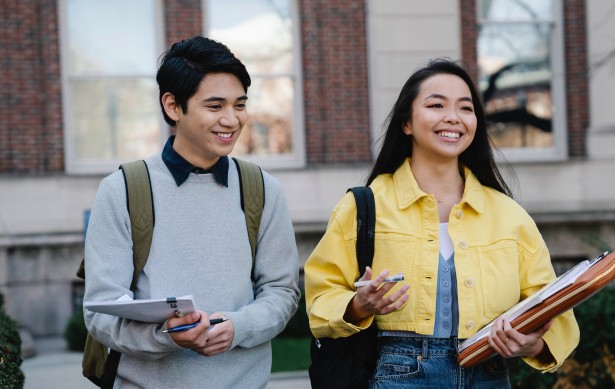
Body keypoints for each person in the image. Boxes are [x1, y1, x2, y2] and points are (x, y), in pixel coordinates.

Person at [304, 59, 579, 388]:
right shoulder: (364, 206)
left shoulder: (509, 215)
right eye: (436, 105)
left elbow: (556, 310)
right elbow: (320, 299)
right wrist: (358, 306)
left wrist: (532, 344)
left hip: (488, 372)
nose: (453, 117)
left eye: (466, 108)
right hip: (398, 375)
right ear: (407, 123)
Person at [83, 36, 300, 388]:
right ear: (173, 106)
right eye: (215, 106)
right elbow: (100, 312)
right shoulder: (121, 189)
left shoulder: (263, 190)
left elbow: (282, 292)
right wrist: (166, 335)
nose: (231, 120)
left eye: (240, 105)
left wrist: (237, 327)